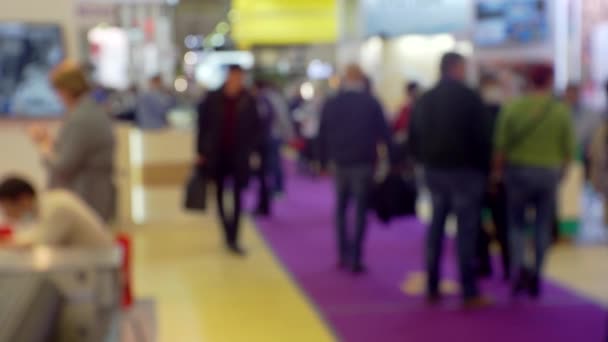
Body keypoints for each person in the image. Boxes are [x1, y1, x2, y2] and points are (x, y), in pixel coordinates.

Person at [409, 52, 491, 307]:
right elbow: (484, 137)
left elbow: (413, 136)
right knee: (465, 232)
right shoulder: (470, 97)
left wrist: (424, 161)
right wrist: (485, 171)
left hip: (435, 172)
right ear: (456, 68)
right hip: (466, 173)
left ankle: (432, 286)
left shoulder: (425, 99)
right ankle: (468, 290)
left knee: (436, 227)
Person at [493, 64, 575, 298]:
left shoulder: (513, 108)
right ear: (549, 81)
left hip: (517, 173)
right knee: (542, 226)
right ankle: (537, 272)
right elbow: (569, 151)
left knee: (516, 224)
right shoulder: (560, 111)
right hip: (548, 174)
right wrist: (561, 174)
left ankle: (518, 269)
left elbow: (500, 147)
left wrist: (497, 174)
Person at [318, 64, 392, 274]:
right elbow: (385, 133)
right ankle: (356, 257)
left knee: (340, 209)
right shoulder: (371, 102)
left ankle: (343, 254)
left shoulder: (333, 103)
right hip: (363, 162)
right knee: (360, 210)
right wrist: (393, 160)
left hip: (340, 162)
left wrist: (322, 162)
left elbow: (322, 133)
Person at [28, 60, 115, 222]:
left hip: (83, 196)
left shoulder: (81, 118)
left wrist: (43, 145)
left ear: (65, 90)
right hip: (93, 194)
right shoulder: (91, 112)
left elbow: (64, 166)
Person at [197, 65, 262, 255]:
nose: (236, 80)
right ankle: (226, 231)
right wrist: (200, 152)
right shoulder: (213, 98)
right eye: (234, 76)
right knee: (218, 195)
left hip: (239, 155)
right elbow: (203, 126)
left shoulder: (248, 100)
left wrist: (252, 150)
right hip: (217, 154)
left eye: (239, 77)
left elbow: (257, 128)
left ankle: (234, 236)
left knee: (237, 196)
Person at [0, 177, 114, 248]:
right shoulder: (44, 207)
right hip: (84, 268)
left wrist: (5, 245)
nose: (7, 214)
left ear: (23, 200)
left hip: (97, 272)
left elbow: (39, 243)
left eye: (6, 208)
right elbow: (29, 236)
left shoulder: (57, 206)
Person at [475, 75, 510, 281]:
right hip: (495, 177)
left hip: (485, 177)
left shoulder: (476, 114)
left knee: (494, 223)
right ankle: (504, 265)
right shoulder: (505, 113)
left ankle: (487, 263)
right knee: (501, 222)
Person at [253, 80, 295, 216]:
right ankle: (278, 188)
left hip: (271, 136)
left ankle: (278, 188)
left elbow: (280, 117)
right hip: (273, 136)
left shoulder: (265, 99)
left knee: (274, 163)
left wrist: (288, 134)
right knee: (274, 163)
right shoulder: (273, 98)